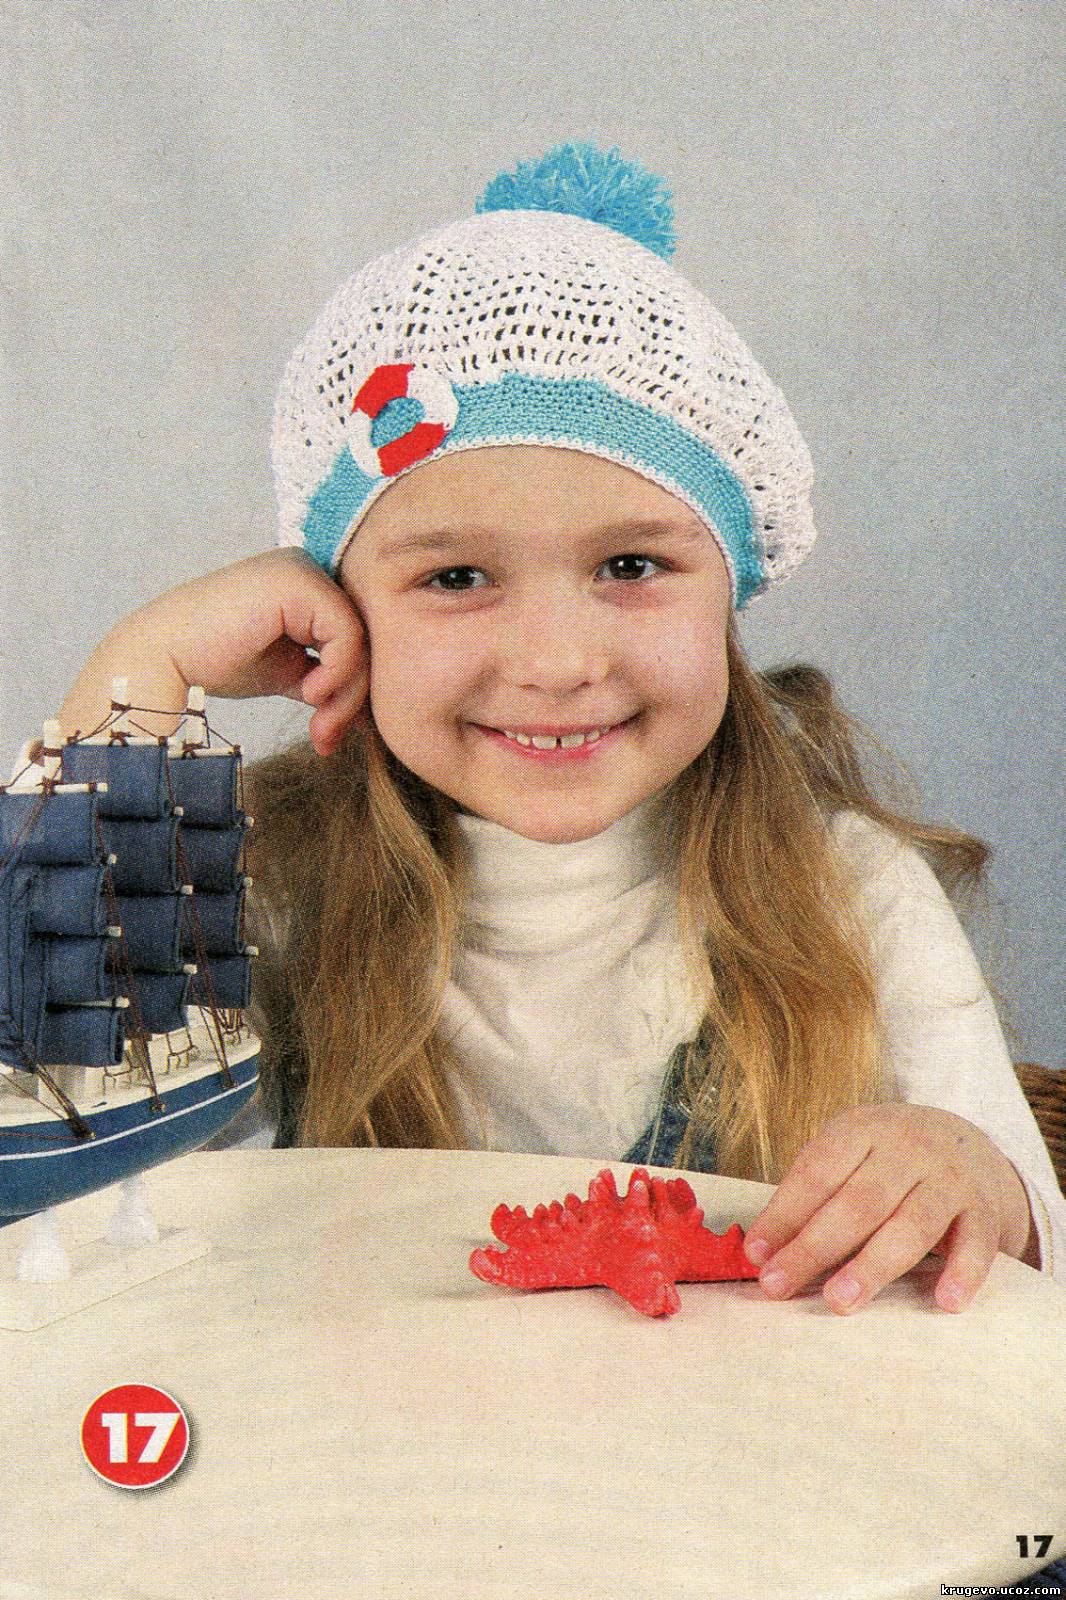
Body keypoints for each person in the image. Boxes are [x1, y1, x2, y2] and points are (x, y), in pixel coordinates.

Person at [54, 144, 1065, 1341]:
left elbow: (1026, 1270)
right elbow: (60, 1144)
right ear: (334, 606)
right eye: (456, 576)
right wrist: (139, 676)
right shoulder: (270, 888)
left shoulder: (851, 895)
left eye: (630, 564)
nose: (554, 660)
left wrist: (972, 1175)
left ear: (730, 587)